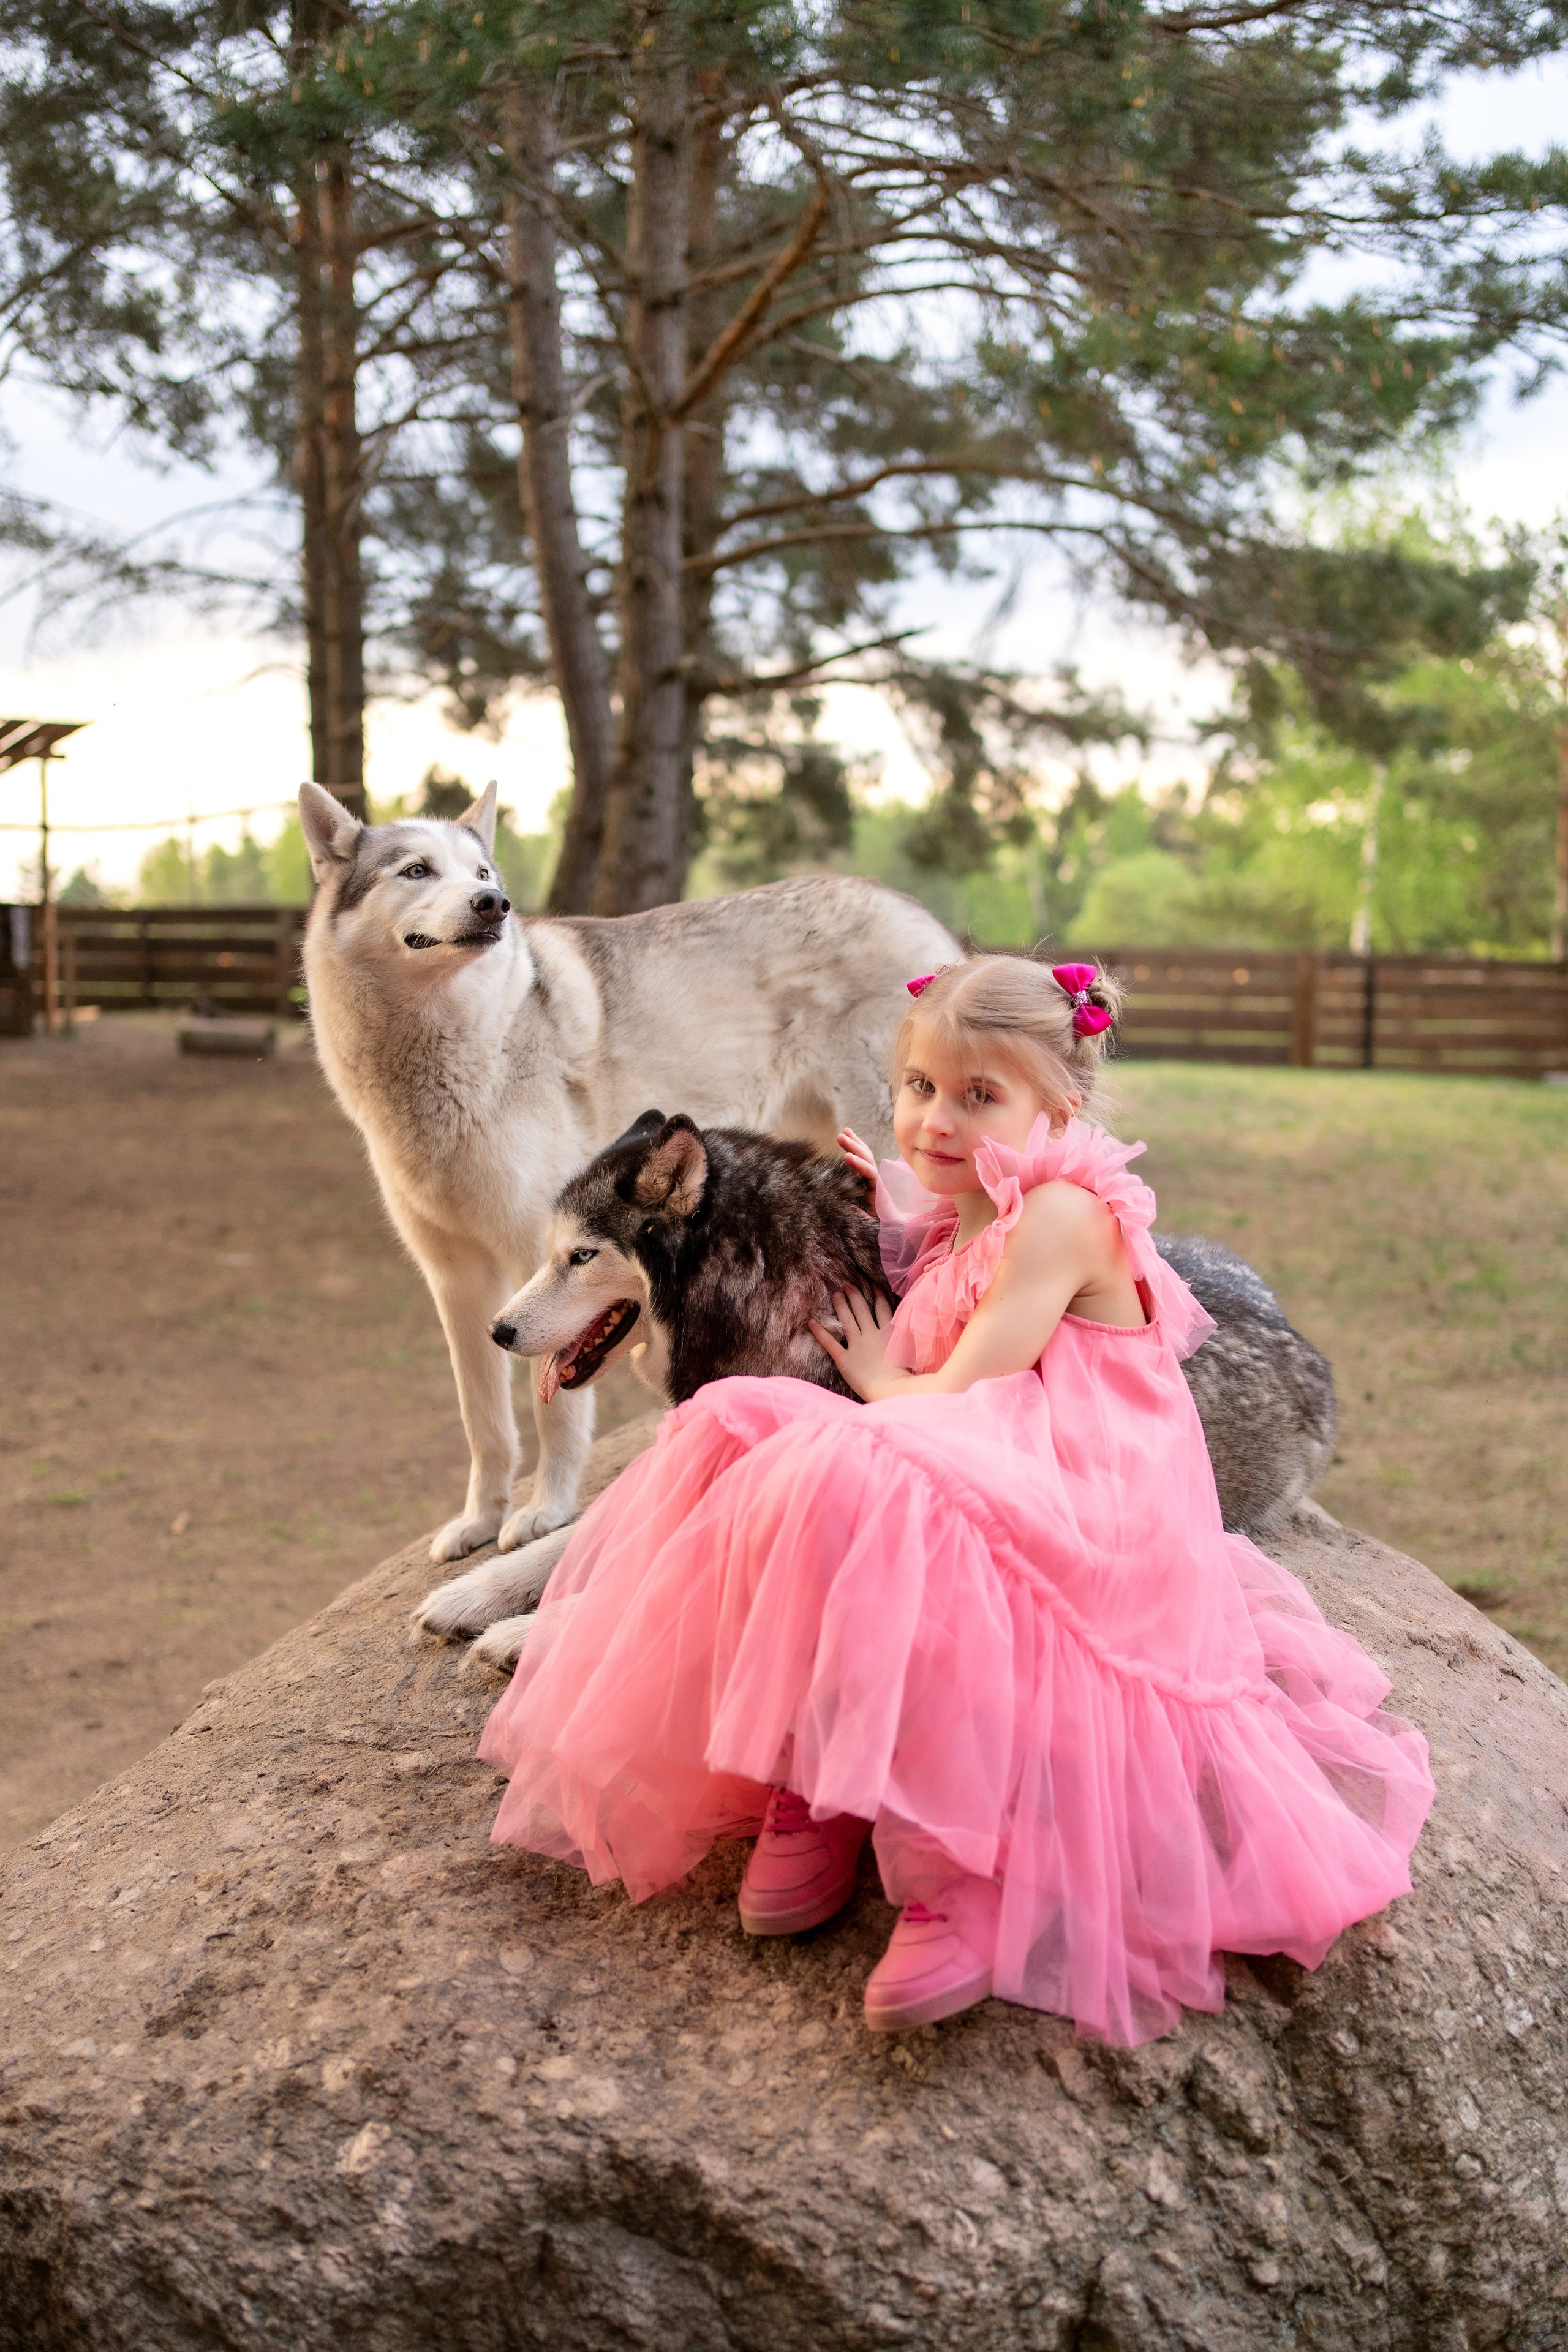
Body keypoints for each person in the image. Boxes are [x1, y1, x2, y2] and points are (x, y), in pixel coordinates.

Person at [479, 957, 1433, 2047]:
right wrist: (891, 1199)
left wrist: (882, 1379)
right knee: (739, 1420)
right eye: (920, 1087)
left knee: (862, 1467)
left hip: (1080, 1505)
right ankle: (815, 1777)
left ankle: (960, 1879)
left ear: (1056, 1109)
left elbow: (960, 1390)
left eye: (979, 1098)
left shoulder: (1067, 1215)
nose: (935, 1120)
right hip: (990, 1460)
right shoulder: (975, 1198)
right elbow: (942, 1242)